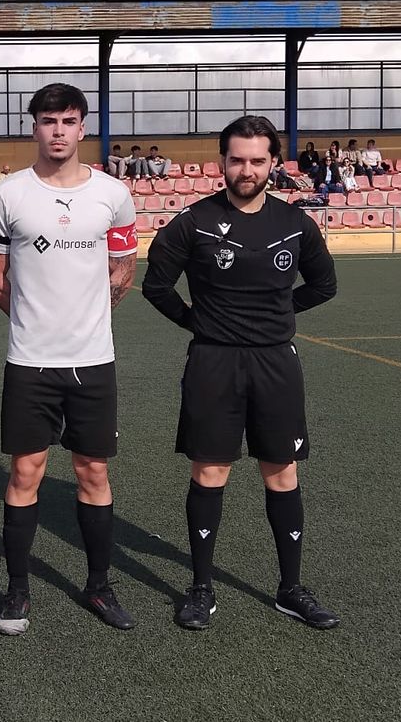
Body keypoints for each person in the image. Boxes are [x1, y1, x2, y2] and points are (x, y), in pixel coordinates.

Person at [140, 113, 340, 633]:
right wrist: (199, 322)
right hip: (214, 361)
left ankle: (290, 589)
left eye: (257, 160)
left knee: (283, 471)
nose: (246, 169)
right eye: (237, 159)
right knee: (210, 472)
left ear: (273, 163)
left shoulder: (295, 223)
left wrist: (278, 316)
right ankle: (201, 589)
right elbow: (156, 287)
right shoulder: (194, 221)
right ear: (222, 162)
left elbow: (323, 286)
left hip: (276, 360)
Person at [0, 82, 138, 636]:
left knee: (93, 471)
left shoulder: (113, 194)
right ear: (34, 126)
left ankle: (99, 586)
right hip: (30, 362)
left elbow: (122, 269)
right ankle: (17, 590)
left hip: (95, 361)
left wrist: (89, 313)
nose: (59, 131)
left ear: (83, 126)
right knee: (26, 472)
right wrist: (35, 321)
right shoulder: (8, 194)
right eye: (49, 121)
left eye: (69, 121)